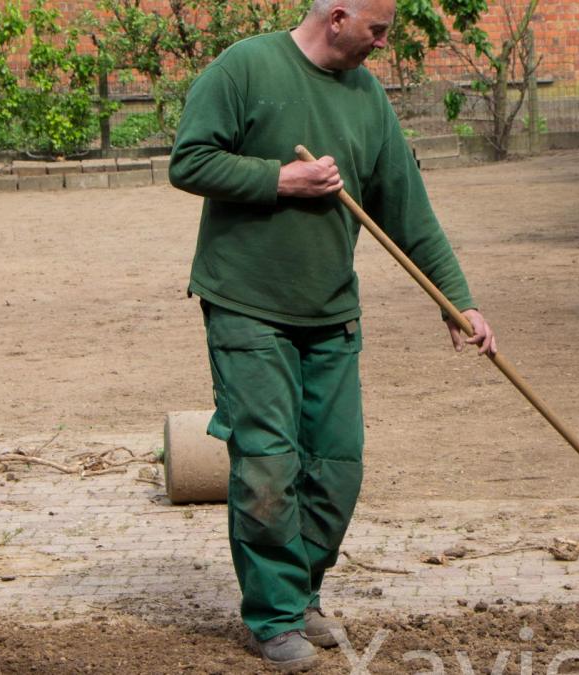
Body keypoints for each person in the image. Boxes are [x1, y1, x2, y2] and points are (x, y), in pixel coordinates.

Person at [169, 0, 496, 670]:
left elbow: (409, 206)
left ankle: (302, 589)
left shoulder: (368, 96)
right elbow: (189, 160)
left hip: (330, 312)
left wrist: (455, 301)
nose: (382, 43)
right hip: (245, 305)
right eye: (377, 30)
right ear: (338, 16)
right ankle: (276, 615)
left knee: (338, 468)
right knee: (267, 463)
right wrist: (281, 179)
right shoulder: (246, 67)